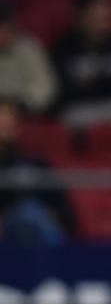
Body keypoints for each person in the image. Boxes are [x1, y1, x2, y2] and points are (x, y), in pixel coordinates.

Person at [49, 0, 111, 128]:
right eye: (96, 17)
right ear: (81, 16)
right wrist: (109, 81)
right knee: (72, 116)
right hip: (80, 107)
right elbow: (62, 89)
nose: (102, 22)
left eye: (106, 18)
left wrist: (93, 83)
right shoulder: (64, 47)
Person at [0, 100, 75, 245]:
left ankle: (55, 263)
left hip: (36, 228)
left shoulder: (37, 164)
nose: (4, 121)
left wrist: (54, 215)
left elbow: (64, 210)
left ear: (17, 127)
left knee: (30, 213)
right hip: (7, 231)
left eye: (9, 117)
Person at [0, 0, 57, 115]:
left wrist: (19, 104)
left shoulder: (28, 48)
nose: (5, 33)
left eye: (8, 27)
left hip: (24, 112)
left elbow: (45, 88)